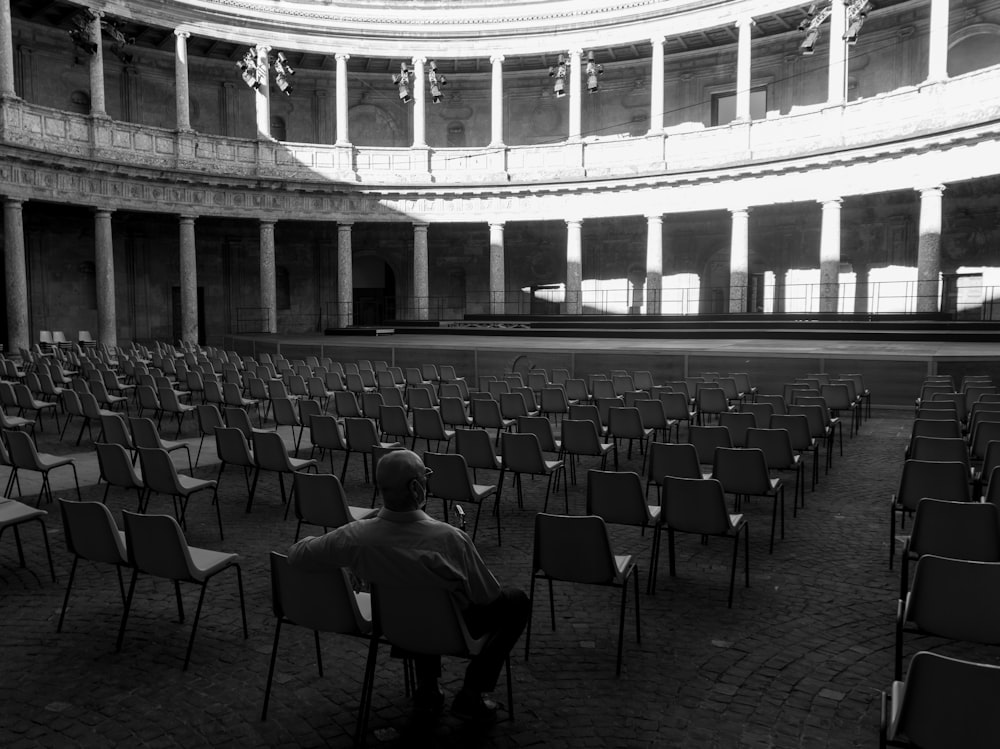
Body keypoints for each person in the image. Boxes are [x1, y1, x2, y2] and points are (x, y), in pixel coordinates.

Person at [288, 449, 528, 723]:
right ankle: (473, 690)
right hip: (451, 629)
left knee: (410, 594)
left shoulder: (356, 537)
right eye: (425, 476)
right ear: (416, 487)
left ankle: (427, 689)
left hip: (396, 626)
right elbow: (487, 596)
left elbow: (298, 554)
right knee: (515, 601)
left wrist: (348, 561)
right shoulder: (450, 539)